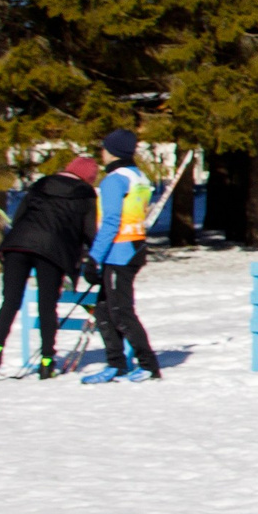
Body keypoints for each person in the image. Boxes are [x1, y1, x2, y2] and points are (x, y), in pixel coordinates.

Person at [0, 155, 100, 379]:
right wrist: (95, 257)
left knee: (9, 302)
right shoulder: (85, 193)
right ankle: (47, 361)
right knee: (47, 306)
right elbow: (89, 231)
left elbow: (19, 216)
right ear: (89, 178)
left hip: (18, 245)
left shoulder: (42, 183)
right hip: (53, 251)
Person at [80, 130, 161, 384]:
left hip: (119, 252)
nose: (101, 154)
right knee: (104, 310)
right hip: (134, 247)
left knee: (120, 310)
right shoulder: (138, 176)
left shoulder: (114, 180)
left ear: (112, 151)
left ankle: (148, 365)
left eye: (103, 149)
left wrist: (94, 257)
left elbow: (111, 221)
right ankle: (116, 364)